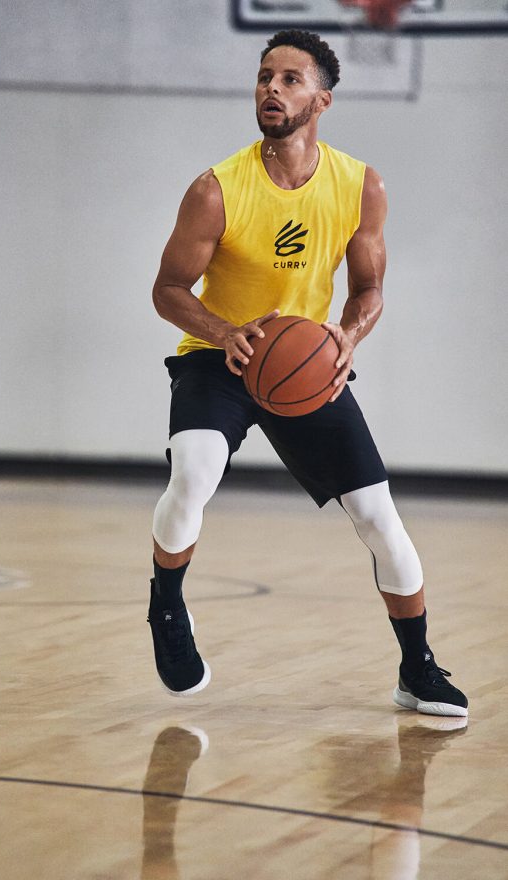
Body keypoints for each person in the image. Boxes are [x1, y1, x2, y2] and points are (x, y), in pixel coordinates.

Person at [147, 29, 467, 717]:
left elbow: (368, 289)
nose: (271, 88)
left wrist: (348, 336)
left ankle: (416, 668)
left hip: (303, 363)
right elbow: (168, 289)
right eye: (265, 75)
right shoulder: (215, 189)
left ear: (321, 100)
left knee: (378, 517)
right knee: (194, 473)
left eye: (290, 79)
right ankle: (166, 602)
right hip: (218, 357)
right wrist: (224, 332)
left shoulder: (359, 185)